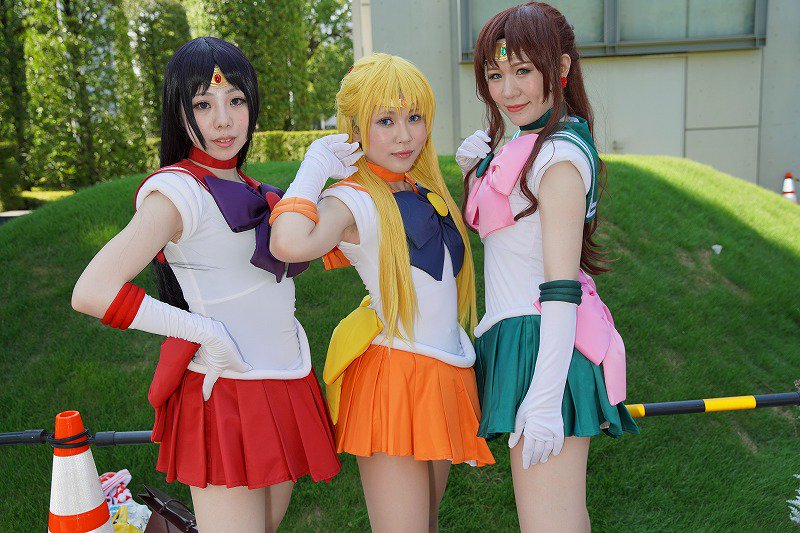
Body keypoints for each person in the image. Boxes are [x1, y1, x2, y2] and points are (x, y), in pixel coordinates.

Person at [70, 37, 340, 532]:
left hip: (283, 382)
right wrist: (205, 333)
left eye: (235, 100)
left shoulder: (252, 188)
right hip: (225, 393)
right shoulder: (177, 191)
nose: (223, 120)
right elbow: (92, 290)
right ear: (178, 111)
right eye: (202, 104)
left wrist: (325, 167)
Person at [269, 53, 494, 532]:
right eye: (386, 120)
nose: (405, 135)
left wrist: (477, 176)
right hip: (393, 379)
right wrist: (314, 168)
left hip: (442, 369)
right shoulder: (352, 198)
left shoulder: (422, 188)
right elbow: (287, 244)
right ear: (356, 127)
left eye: (414, 117)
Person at [457, 3, 639, 531]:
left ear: (559, 68)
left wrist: (543, 398)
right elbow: (514, 242)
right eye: (496, 75)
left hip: (545, 346)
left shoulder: (557, 157)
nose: (508, 90)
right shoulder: (529, 145)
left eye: (522, 71)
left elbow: (560, 286)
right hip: (525, 339)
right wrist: (474, 172)